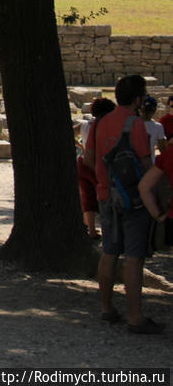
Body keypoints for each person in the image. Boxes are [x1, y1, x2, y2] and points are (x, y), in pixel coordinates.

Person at [83, 75, 162, 334]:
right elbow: (145, 163)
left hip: (106, 194)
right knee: (134, 258)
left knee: (109, 251)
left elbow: (92, 159)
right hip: (133, 199)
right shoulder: (136, 124)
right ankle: (135, 317)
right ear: (138, 98)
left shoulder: (101, 123)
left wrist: (103, 183)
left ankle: (107, 308)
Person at [77, 97, 116, 239]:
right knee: (104, 197)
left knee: (87, 198)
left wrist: (81, 147)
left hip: (82, 163)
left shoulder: (85, 125)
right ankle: (109, 231)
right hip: (97, 164)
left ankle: (91, 230)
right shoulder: (105, 126)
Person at [140, 95, 167, 162]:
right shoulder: (158, 127)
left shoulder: (131, 124)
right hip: (150, 164)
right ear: (154, 110)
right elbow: (162, 149)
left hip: (133, 166)